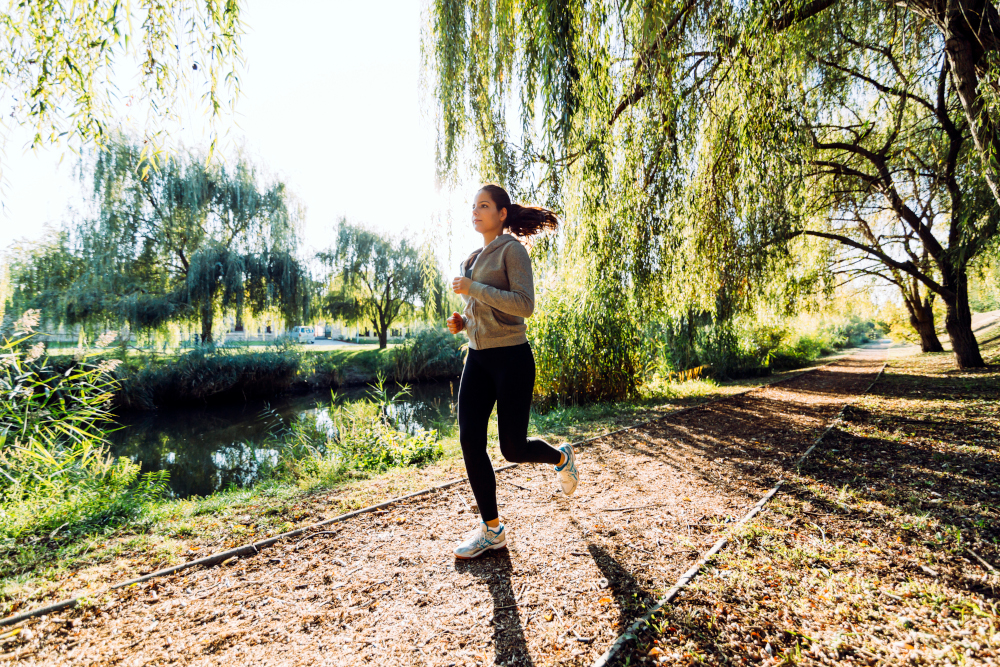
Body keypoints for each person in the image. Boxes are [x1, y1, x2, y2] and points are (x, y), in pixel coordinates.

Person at [447, 184, 579, 560]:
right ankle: (492, 531)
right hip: (478, 358)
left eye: (484, 206)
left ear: (502, 214)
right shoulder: (472, 257)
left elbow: (523, 306)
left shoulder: (513, 250)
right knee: (470, 440)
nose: (476, 211)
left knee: (513, 448)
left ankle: (561, 458)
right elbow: (482, 311)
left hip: (512, 358)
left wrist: (474, 288)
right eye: (473, 206)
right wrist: (464, 321)